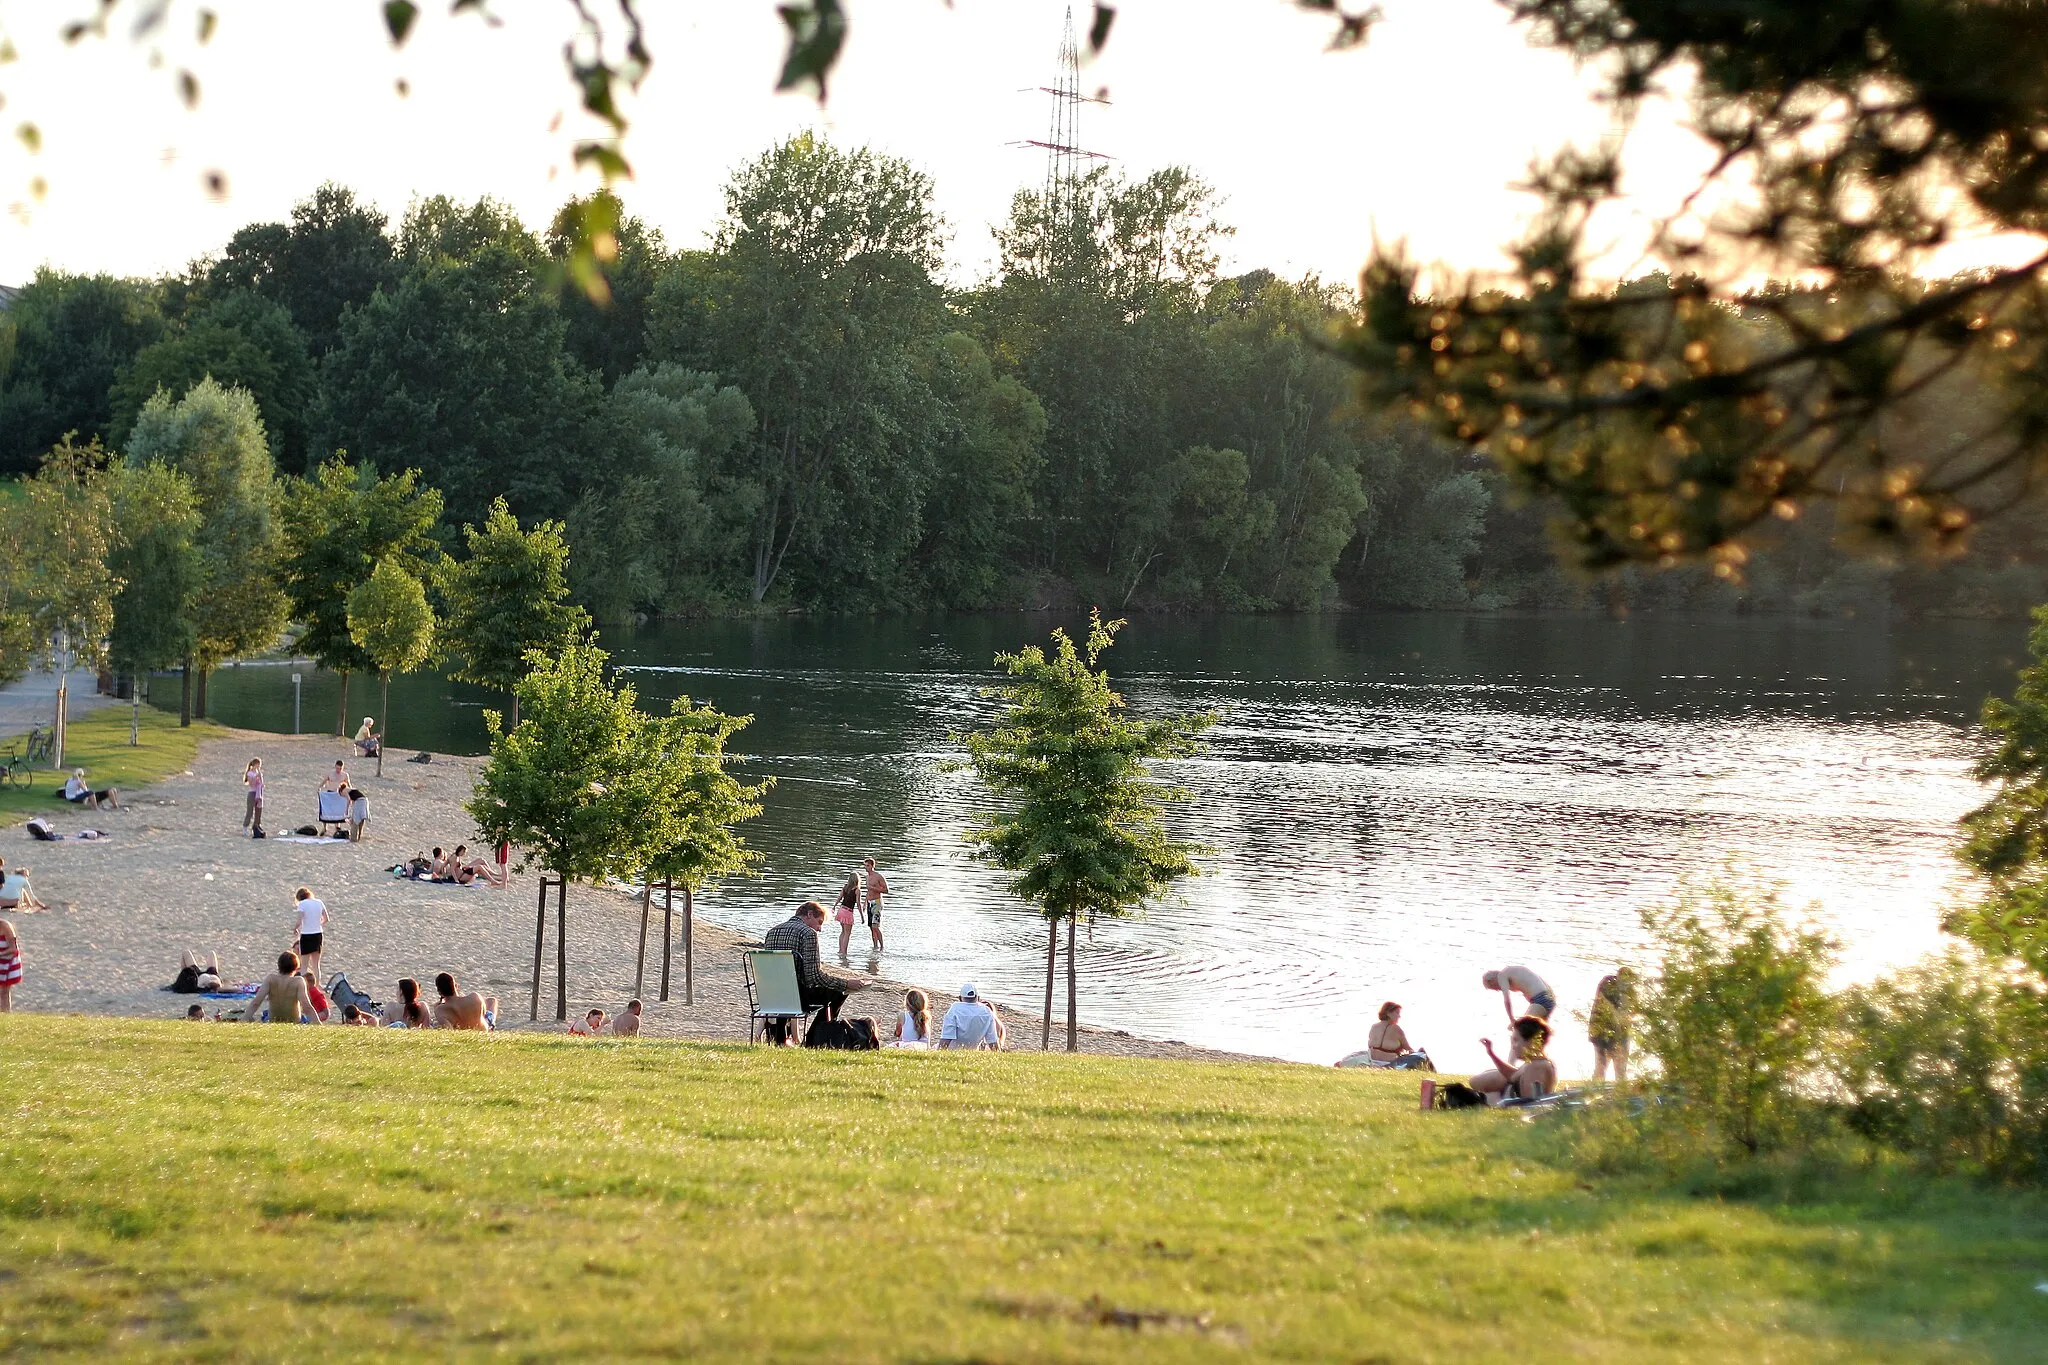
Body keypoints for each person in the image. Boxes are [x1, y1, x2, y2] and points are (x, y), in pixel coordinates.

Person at [761, 901, 859, 1042]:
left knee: (785, 984)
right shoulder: (808, 934)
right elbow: (813, 977)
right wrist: (846, 983)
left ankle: (780, 1037)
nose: (819, 929)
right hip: (796, 997)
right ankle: (814, 1039)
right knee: (839, 991)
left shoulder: (772, 932)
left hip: (770, 995)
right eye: (819, 922)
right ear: (809, 914)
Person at [1471, 1016, 1559, 1104]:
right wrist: (1491, 1053)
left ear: (1531, 1042)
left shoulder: (1537, 1066)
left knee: (1469, 1089)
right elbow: (1513, 1076)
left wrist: (1501, 1103)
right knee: (1479, 1081)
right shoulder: (1535, 1062)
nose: (1513, 1046)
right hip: (1501, 1098)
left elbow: (1530, 1103)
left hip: (1503, 1102)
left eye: (1516, 1040)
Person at [1589, 968, 1635, 1087]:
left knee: (1621, 1071)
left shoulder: (1631, 991)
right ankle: (1594, 1095)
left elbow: (1631, 1011)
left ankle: (1621, 1097)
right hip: (1601, 1032)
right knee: (1601, 1068)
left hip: (1621, 1033)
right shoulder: (1607, 984)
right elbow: (1610, 1010)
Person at [246, 951, 316, 1023]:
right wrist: (318, 1023)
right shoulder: (298, 981)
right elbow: (307, 1007)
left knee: (265, 1014)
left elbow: (256, 1002)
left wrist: (244, 1019)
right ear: (296, 967)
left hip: (273, 1020)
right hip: (293, 1021)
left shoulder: (270, 979)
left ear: (279, 965)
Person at [1367, 1002, 1432, 1070]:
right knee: (1422, 1052)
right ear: (1388, 1013)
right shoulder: (1396, 1029)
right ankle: (1431, 1073)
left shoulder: (1374, 1027)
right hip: (1390, 1063)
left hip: (1373, 1060)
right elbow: (1408, 1049)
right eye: (1397, 1013)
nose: (1399, 1016)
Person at [939, 982, 1003, 1051]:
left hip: (953, 1050)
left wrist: (939, 1053)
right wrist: (998, 1053)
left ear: (960, 998)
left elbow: (946, 1037)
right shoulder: (986, 1011)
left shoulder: (955, 1009)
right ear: (978, 998)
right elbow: (992, 1040)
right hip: (974, 1050)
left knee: (934, 1047)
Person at [1481, 965, 1556, 1023]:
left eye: (1493, 987)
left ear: (1492, 980)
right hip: (1549, 998)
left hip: (1540, 1000)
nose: (1497, 990)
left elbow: (1507, 1001)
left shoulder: (1502, 975)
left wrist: (1512, 1019)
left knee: (1521, 1030)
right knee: (1537, 1035)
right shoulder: (1514, 971)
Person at [291, 886, 328, 981]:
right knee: (316, 965)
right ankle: (317, 986)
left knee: (304, 965)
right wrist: (318, 924)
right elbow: (326, 918)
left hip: (306, 935)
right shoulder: (319, 902)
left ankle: (304, 987)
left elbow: (299, 920)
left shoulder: (302, 904)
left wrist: (295, 928)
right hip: (318, 934)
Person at [859, 856, 889, 951]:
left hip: (877, 902)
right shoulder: (867, 877)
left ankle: (882, 946)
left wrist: (873, 888)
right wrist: (864, 903)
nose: (865, 867)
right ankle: (875, 946)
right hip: (869, 902)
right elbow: (868, 892)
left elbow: (886, 890)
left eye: (867, 865)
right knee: (871, 927)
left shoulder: (878, 876)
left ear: (872, 866)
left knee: (876, 926)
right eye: (865, 865)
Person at [834, 874, 859, 958]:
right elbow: (858, 904)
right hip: (848, 911)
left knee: (843, 932)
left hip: (841, 910)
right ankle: (844, 952)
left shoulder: (845, 887)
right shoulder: (857, 890)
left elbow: (839, 897)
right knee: (847, 933)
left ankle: (840, 950)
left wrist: (834, 906)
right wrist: (862, 916)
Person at [242, 757, 265, 838]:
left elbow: (261, 784)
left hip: (258, 793)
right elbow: (251, 783)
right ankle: (245, 827)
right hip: (252, 793)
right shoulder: (250, 773)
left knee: (258, 812)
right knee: (250, 812)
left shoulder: (258, 772)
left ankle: (256, 827)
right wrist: (256, 777)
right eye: (258, 764)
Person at [0, 917, 19, 1011]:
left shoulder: (5, 926)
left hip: (9, 962)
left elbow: (14, 949)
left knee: (4, 991)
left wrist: (1, 954)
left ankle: (6, 1014)